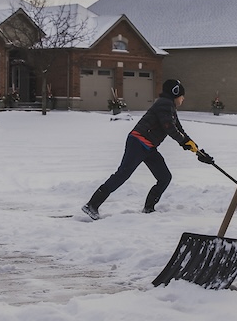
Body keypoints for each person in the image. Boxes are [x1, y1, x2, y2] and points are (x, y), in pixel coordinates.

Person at [82, 79, 213, 220]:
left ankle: (149, 208)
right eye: (182, 95)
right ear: (175, 93)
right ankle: (92, 205)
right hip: (138, 142)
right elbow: (169, 127)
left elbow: (179, 130)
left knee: (164, 177)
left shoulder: (170, 108)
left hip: (149, 147)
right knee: (122, 175)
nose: (183, 98)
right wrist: (184, 142)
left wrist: (197, 151)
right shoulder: (164, 104)